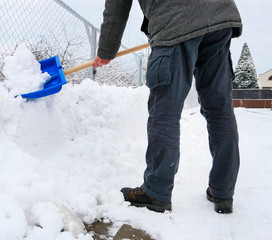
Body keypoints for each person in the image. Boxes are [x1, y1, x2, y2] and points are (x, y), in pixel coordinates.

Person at [93, 0, 242, 214]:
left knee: (165, 112)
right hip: (220, 18)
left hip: (174, 21)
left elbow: (117, 5)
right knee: (220, 111)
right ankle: (223, 191)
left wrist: (106, 51)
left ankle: (156, 191)